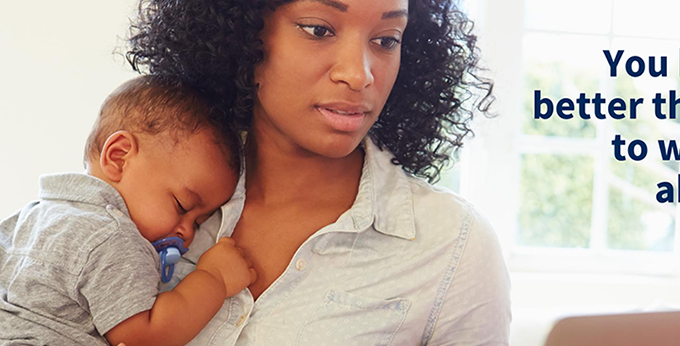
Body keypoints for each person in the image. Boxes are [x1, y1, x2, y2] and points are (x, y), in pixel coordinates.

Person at [128, 0, 511, 344]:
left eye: (386, 40)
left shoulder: (452, 245)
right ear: (245, 34)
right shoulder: (139, 192)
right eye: (319, 30)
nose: (359, 74)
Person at [0, 77, 256, 346]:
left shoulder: (35, 214)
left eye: (199, 222)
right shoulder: (113, 236)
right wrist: (214, 278)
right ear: (119, 157)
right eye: (182, 206)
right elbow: (145, 337)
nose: (187, 234)